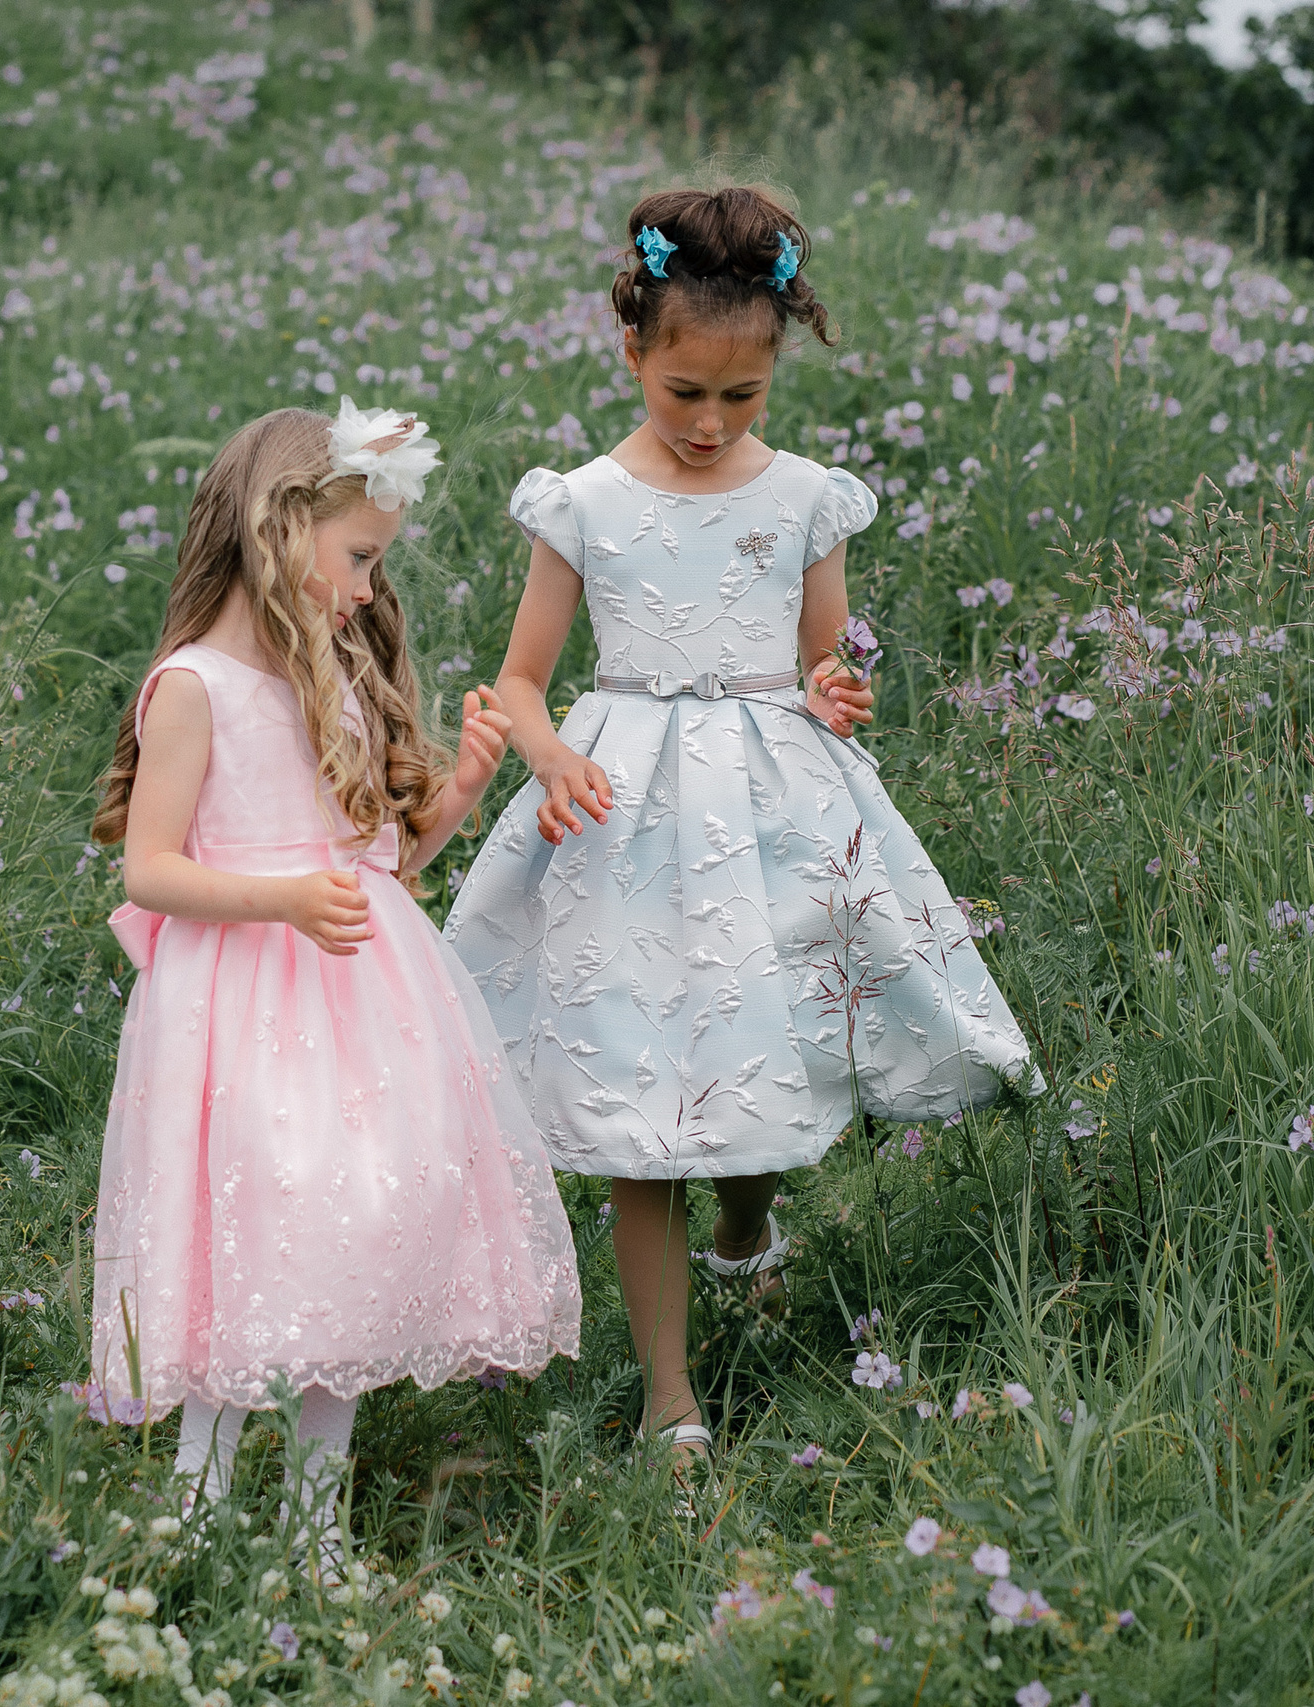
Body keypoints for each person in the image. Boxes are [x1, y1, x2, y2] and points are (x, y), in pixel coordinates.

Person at [442, 185, 1042, 1462]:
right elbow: (521, 681)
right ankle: (671, 1400)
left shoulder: (805, 497)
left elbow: (827, 658)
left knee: (764, 1053)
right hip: (616, 802)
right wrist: (542, 752)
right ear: (633, 356)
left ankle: (746, 1224)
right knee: (634, 1098)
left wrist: (841, 685)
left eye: (740, 398)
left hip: (770, 800)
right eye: (683, 395)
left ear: (774, 370)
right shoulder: (586, 502)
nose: (710, 424)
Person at [89, 401, 584, 1573]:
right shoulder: (195, 687)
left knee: (358, 1231)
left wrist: (457, 789)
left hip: (368, 1001)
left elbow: (379, 864)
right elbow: (150, 869)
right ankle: (196, 1516)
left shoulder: (337, 678)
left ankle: (315, 1529)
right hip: (243, 1010)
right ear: (281, 527)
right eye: (358, 557)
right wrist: (285, 901)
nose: (365, 590)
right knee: (247, 1237)